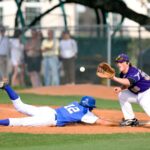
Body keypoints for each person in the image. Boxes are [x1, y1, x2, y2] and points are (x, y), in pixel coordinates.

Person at [0, 79, 117, 127]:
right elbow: (101, 122)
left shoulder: (76, 103)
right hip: (49, 119)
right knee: (19, 122)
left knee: (20, 106)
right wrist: (119, 124)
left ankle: (7, 87)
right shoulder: (86, 114)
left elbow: (77, 118)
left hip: (47, 110)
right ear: (90, 107)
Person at [111, 53, 150, 126]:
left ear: (127, 63)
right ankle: (130, 120)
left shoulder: (134, 71)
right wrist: (121, 88)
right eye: (118, 62)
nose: (119, 64)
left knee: (144, 102)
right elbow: (128, 84)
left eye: (121, 62)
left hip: (147, 92)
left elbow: (128, 82)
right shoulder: (122, 74)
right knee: (122, 95)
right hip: (138, 93)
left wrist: (113, 78)